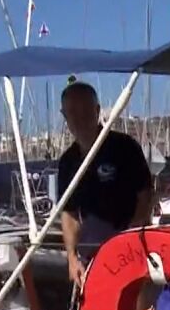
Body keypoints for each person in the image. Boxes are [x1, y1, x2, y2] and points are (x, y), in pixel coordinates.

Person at [57, 78, 155, 287]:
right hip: (91, 256)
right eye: (72, 112)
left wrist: (132, 235)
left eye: (85, 110)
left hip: (131, 250)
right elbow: (70, 213)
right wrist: (72, 258)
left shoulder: (124, 147)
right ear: (65, 116)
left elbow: (145, 195)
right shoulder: (68, 161)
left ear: (97, 110)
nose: (79, 118)